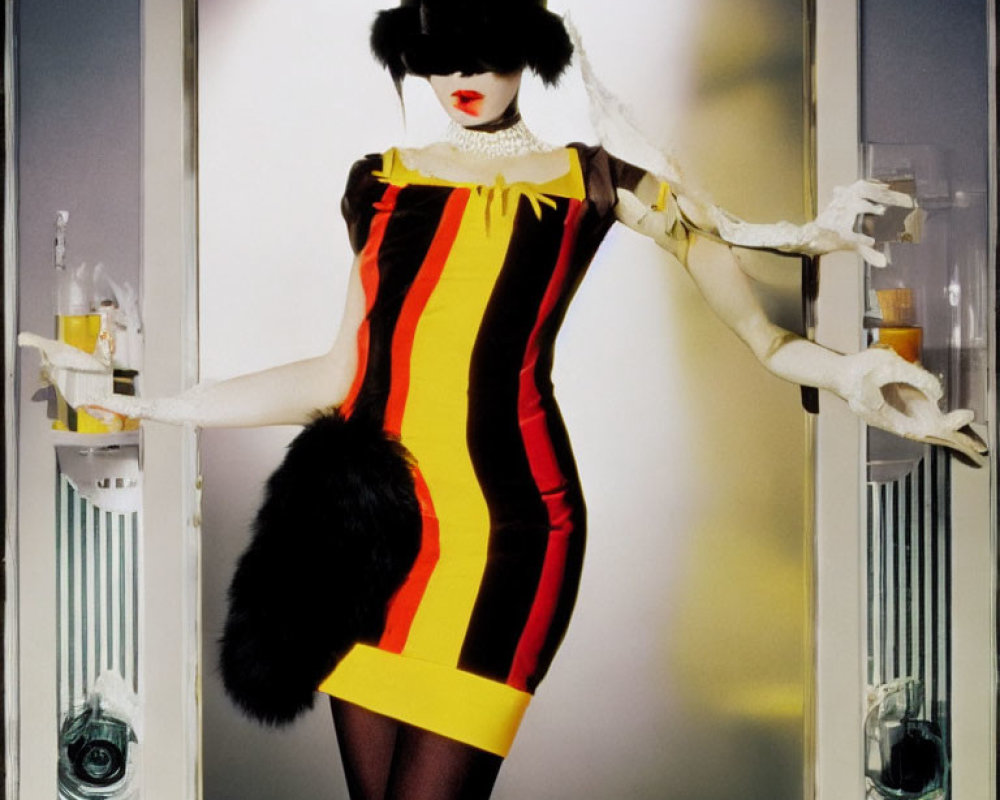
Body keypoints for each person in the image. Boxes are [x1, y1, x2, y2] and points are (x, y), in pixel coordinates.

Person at [19, 1, 986, 798]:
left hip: (510, 535)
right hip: (374, 533)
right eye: (438, 59)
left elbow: (768, 340)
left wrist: (853, 374)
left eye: (483, 51)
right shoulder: (380, 186)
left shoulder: (597, 183)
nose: (461, 76)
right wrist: (150, 410)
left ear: (532, 45)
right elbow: (338, 375)